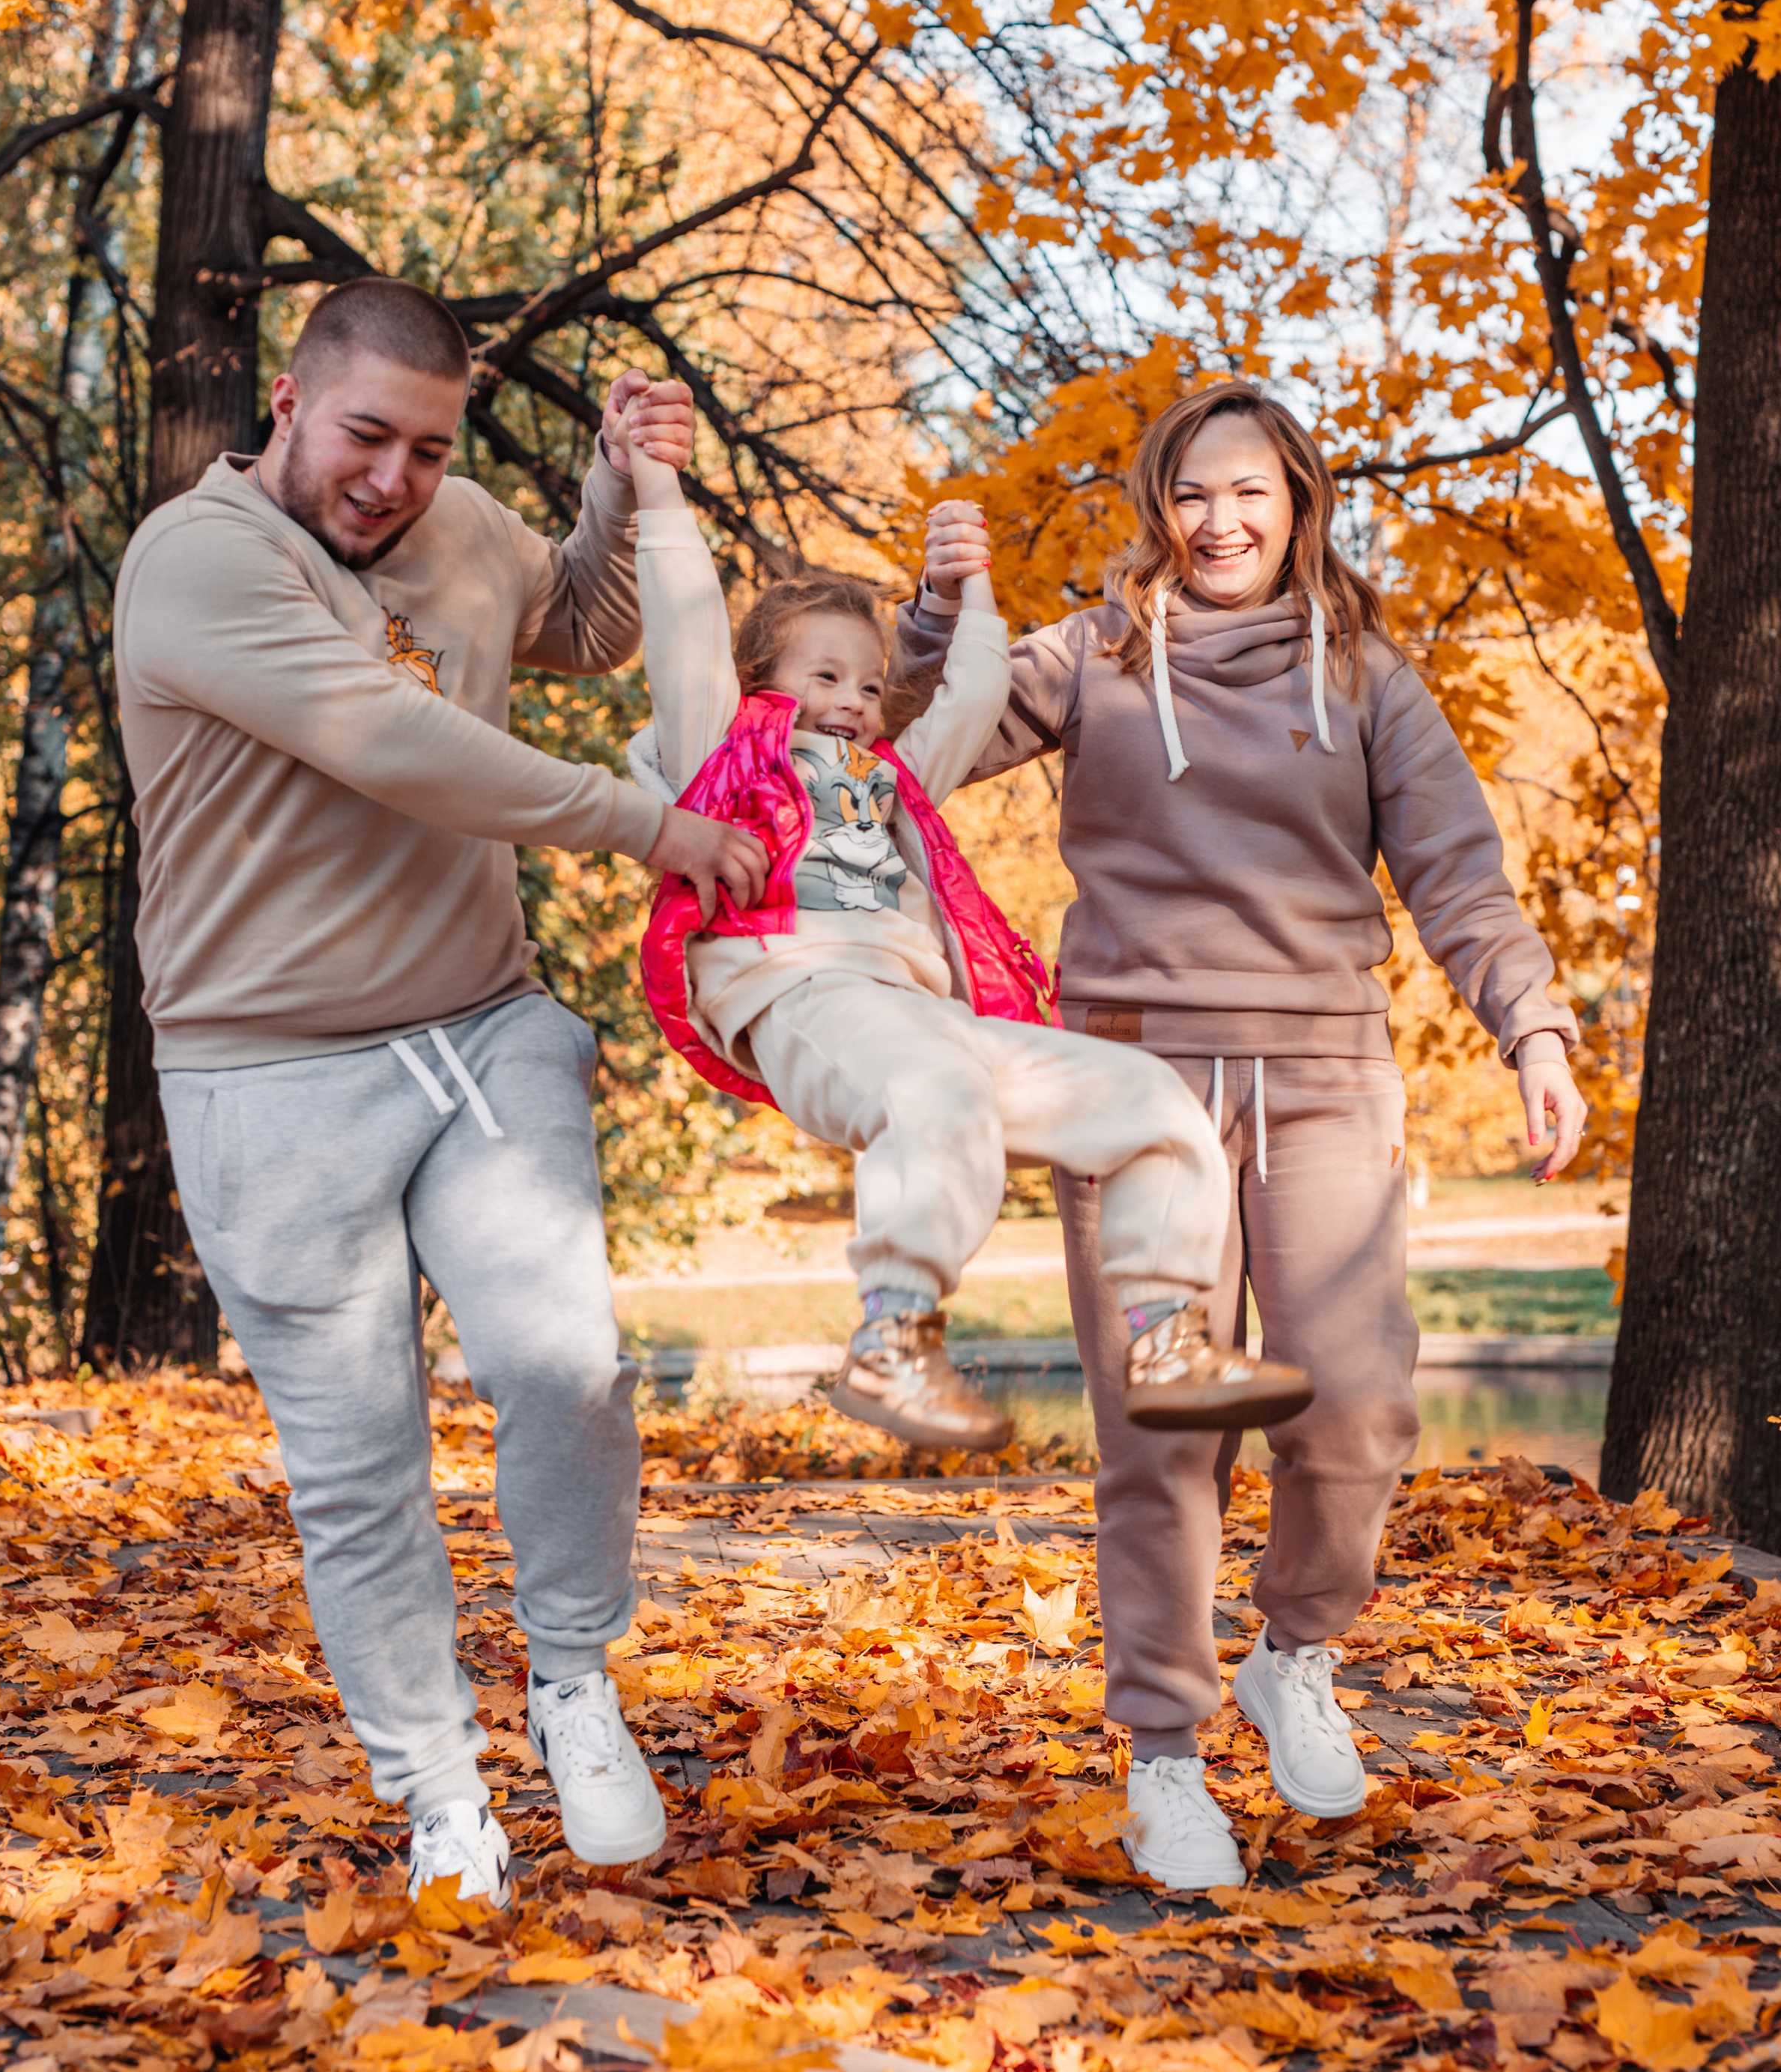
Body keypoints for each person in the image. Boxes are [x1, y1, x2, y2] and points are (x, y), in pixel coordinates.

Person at [113, 276, 769, 1912]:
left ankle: (572, 1679)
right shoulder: (196, 562)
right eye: (365, 436)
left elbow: (587, 622)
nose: (393, 478)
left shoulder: (462, 523)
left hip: (481, 1026)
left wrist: (618, 479)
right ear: (287, 399)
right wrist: (646, 825)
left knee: (567, 1364)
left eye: (428, 447)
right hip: (269, 1076)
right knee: (360, 1472)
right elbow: (395, 741)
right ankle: (439, 1798)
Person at [896, 377, 1587, 1894]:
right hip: (1133, 1086)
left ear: (1296, 505)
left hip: (1326, 1069)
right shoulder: (1089, 658)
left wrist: (1530, 1027)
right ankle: (1162, 1754)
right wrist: (937, 618)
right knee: (1164, 1430)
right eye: (1191, 493)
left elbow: (1457, 873)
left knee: (1355, 1407)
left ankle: (1293, 1653)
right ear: (1160, 507)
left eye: (1248, 492)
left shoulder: (1366, 676)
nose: (1218, 521)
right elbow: (907, 745)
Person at [622, 428, 1311, 1456]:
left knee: (1148, 1099)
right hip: (799, 993)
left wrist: (975, 586)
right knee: (932, 1087)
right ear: (757, 680)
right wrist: (653, 480)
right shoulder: (719, 757)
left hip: (918, 1015)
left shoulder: (893, 783)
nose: (853, 702)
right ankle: (893, 1337)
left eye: (868, 686)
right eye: (826, 677)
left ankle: (1167, 1335)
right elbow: (682, 622)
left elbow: (974, 694)